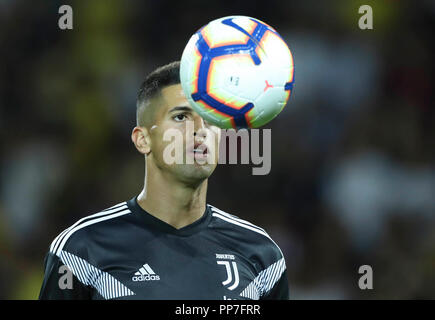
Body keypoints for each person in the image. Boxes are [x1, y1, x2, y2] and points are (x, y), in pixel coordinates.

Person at [39, 61, 289, 300]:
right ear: (142, 140)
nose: (200, 129)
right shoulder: (81, 250)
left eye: (211, 119)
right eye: (181, 117)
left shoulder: (262, 255)